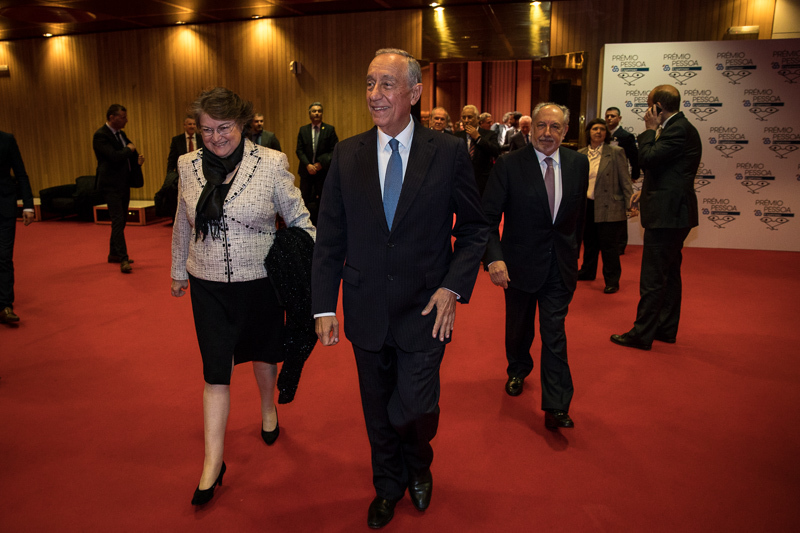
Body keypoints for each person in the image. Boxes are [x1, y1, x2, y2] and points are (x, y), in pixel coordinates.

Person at [312, 48, 488, 529]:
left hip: (427, 308)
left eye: (387, 84)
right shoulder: (347, 154)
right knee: (376, 409)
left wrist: (452, 288)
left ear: (414, 92)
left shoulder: (448, 152)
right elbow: (330, 236)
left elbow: (475, 228)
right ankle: (388, 486)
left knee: (414, 405)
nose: (375, 94)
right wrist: (323, 306)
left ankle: (419, 462)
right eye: (370, 84)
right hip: (365, 305)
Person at [170, 87, 314, 506]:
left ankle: (268, 408)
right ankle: (212, 463)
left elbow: (300, 219)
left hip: (260, 282)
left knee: (264, 354)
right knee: (216, 370)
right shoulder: (187, 165)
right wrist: (178, 270)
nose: (215, 137)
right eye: (207, 129)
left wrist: (308, 262)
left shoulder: (270, 162)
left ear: (243, 124)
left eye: (224, 128)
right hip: (208, 284)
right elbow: (182, 221)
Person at [482, 102, 589, 430]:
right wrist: (494, 258)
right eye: (541, 125)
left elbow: (578, 218)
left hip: (560, 265)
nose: (546, 133)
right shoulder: (509, 165)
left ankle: (556, 403)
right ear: (531, 129)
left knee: (554, 332)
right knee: (519, 327)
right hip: (518, 266)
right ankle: (517, 368)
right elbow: (487, 219)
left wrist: (574, 253)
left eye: (554, 127)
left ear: (565, 131)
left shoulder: (578, 163)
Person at [611, 84, 700, 350]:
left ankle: (642, 334)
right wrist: (645, 191)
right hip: (672, 211)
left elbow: (647, 158)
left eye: (649, 106)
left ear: (657, 107)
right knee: (669, 274)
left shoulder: (677, 129)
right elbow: (667, 169)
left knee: (653, 277)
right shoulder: (678, 128)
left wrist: (649, 130)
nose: (646, 112)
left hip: (668, 215)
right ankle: (665, 328)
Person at [577, 118, 633, 293]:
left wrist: (631, 204)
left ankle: (612, 280)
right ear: (589, 132)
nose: (598, 132)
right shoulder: (580, 154)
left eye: (602, 129)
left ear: (606, 134)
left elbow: (625, 180)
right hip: (587, 205)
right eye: (595, 129)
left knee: (609, 246)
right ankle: (587, 271)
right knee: (589, 243)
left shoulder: (616, 152)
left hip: (609, 205)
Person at [93, 104, 145, 273]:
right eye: (123, 117)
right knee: (117, 220)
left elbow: (129, 155)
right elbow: (114, 156)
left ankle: (113, 254)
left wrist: (136, 161)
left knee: (121, 220)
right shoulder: (101, 136)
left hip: (123, 183)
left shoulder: (121, 134)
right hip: (110, 185)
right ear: (112, 117)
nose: (126, 120)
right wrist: (128, 149)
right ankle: (123, 258)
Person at [0, 131, 34, 324]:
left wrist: (28, 205)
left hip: (4, 206)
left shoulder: (7, 140)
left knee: (4, 256)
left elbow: (21, 173)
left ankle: (5, 306)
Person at [296, 102, 338, 225]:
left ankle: (323, 225)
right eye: (314, 111)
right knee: (305, 199)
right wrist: (308, 165)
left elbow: (334, 150)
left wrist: (321, 163)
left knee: (323, 200)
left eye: (319, 111)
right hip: (306, 171)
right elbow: (299, 150)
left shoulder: (329, 129)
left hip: (322, 172)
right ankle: (305, 225)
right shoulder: (303, 130)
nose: (317, 113)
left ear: (322, 114)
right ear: (309, 114)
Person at [605, 107, 639, 255]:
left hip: (619, 177)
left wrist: (634, 174)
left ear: (619, 118)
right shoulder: (602, 135)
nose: (609, 118)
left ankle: (620, 244)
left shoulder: (625, 136)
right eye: (607, 116)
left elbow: (634, 157)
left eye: (613, 116)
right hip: (604, 178)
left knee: (620, 211)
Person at [455, 105, 500, 196]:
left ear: (478, 119)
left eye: (469, 117)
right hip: (462, 182)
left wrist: (478, 138)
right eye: (464, 117)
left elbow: (496, 151)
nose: (466, 120)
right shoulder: (457, 136)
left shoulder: (489, 134)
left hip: (482, 183)